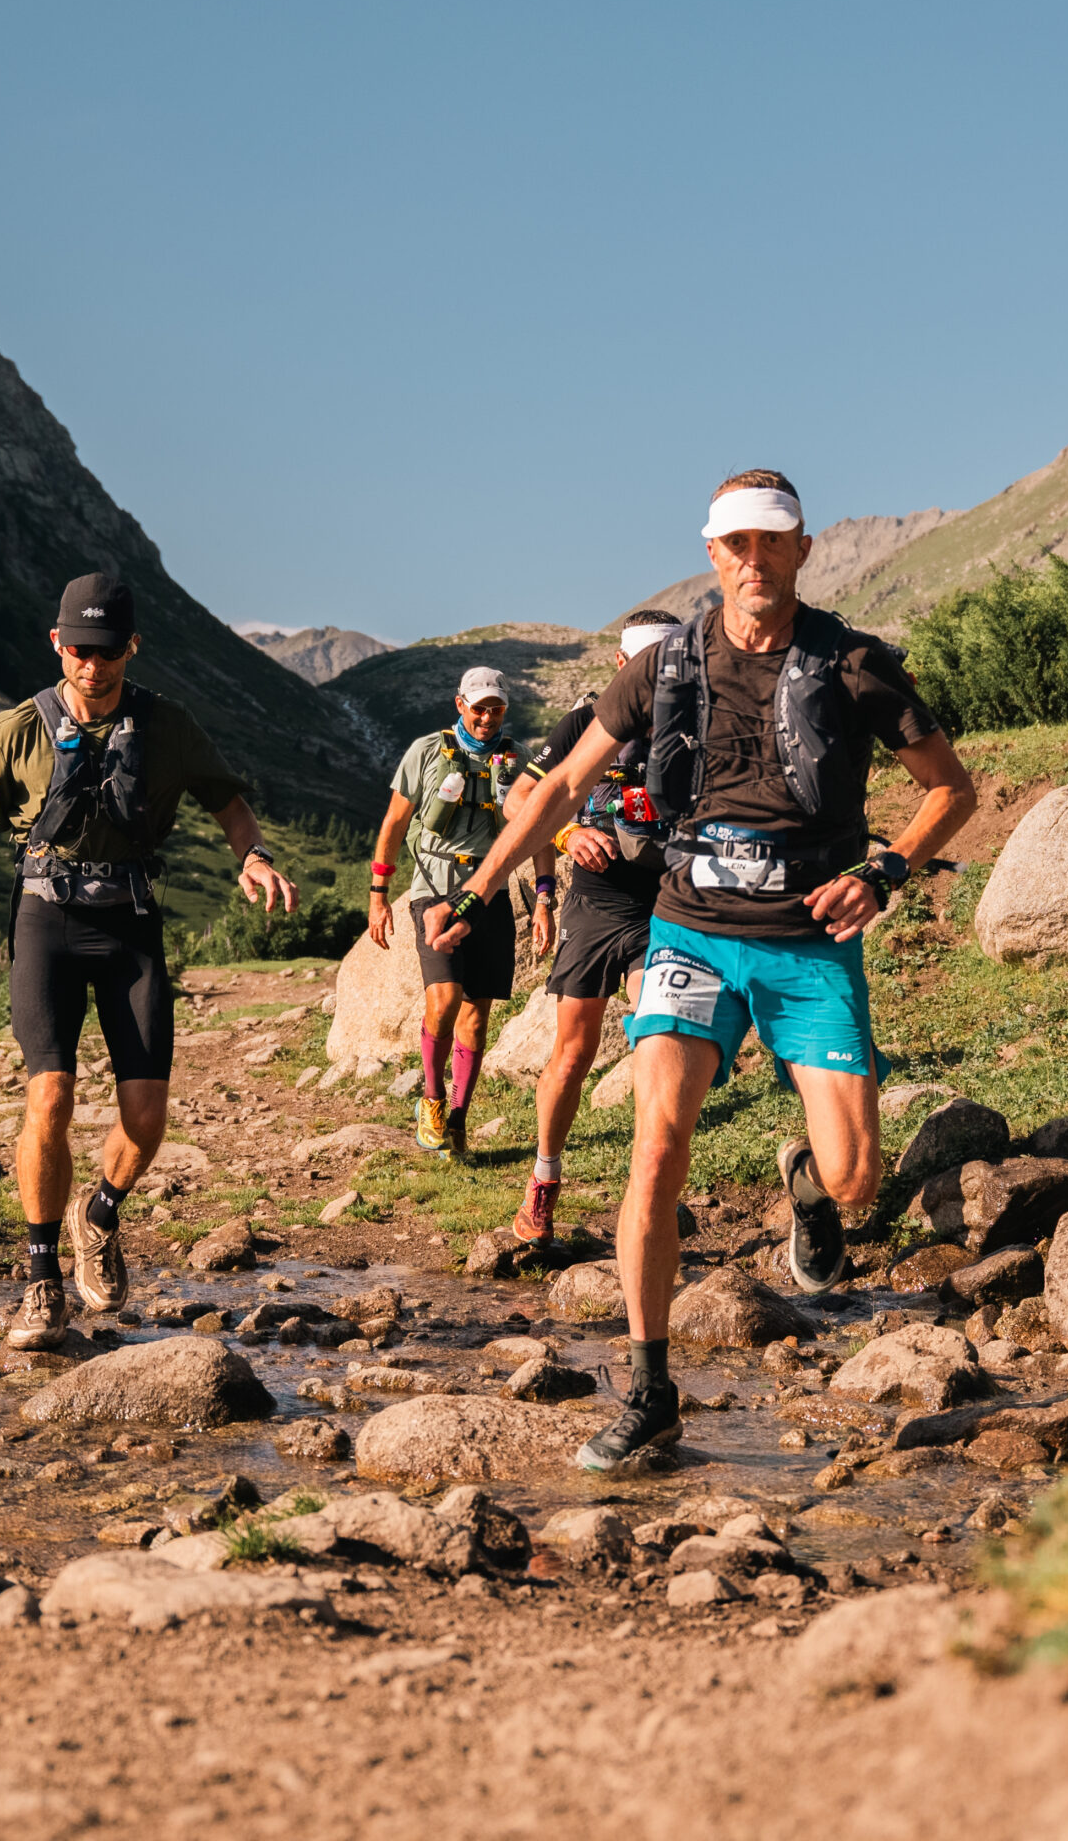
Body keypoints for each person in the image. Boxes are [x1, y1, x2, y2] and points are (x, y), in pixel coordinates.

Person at [428, 470, 976, 1469]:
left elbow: (951, 787)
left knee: (858, 1180)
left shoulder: (854, 665)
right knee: (656, 1143)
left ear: (804, 549)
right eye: (736, 544)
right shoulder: (663, 666)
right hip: (690, 933)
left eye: (773, 542)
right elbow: (558, 783)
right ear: (711, 553)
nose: (754, 561)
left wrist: (886, 870)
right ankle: (649, 1390)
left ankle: (807, 1185)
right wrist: (478, 887)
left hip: (810, 938)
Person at [0, 571, 298, 1349]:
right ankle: (41, 1283)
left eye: (107, 651)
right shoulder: (16, 729)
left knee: (145, 1120)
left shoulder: (166, 725)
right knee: (52, 1096)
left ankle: (97, 1214)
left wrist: (255, 855)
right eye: (79, 649)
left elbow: (227, 800)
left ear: (130, 647)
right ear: (57, 644)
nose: (93, 666)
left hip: (130, 922)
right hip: (46, 918)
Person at [507, 606, 682, 1246]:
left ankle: (652, 1188)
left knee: (656, 1045)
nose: (657, 674)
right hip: (595, 905)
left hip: (666, 905)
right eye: (643, 662)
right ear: (620, 663)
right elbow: (520, 798)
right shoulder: (586, 719)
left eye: (668, 660)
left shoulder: (700, 720)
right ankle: (544, 1181)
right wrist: (569, 830)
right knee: (573, 1054)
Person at [365, 668, 556, 1160]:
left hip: (489, 897)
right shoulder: (425, 752)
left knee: (475, 1020)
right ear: (459, 705)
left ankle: (458, 1120)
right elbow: (393, 823)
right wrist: (379, 894)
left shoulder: (519, 763)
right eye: (479, 707)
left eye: (497, 708)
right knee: (444, 1001)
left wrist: (543, 898)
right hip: (433, 891)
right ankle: (430, 1098)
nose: (488, 717)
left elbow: (536, 830)